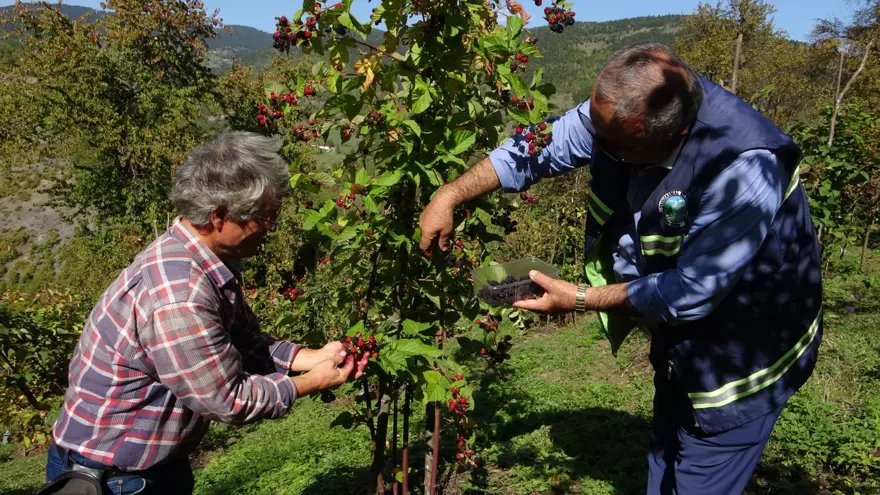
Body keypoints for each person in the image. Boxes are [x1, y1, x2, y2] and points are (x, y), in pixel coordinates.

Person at [419, 43, 823, 494]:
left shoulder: (742, 167)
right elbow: (538, 149)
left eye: (612, 144)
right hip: (680, 345)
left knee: (702, 461)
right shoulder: (624, 115)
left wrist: (578, 297)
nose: (593, 146)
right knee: (665, 451)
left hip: (740, 363)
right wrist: (449, 194)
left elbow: (691, 292)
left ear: (669, 135)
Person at [41, 132, 368, 495]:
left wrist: (310, 358)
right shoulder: (180, 295)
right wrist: (312, 381)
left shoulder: (202, 259)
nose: (270, 230)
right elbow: (228, 400)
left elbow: (240, 341)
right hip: (113, 480)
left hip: (152, 467)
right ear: (220, 217)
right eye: (264, 219)